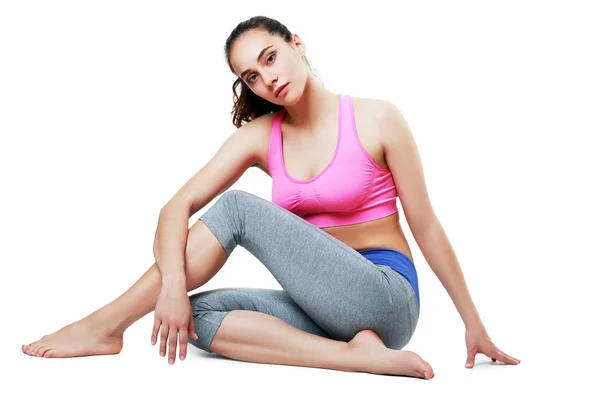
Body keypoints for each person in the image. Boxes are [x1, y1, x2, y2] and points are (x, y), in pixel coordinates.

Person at [21, 15, 520, 379]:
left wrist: (473, 324)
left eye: (270, 57)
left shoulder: (377, 118)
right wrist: (173, 285)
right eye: (252, 77)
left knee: (238, 208)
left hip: (386, 297)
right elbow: (174, 208)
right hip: (326, 310)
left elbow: (427, 225)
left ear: (296, 43)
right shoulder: (262, 136)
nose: (268, 78)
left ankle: (102, 327)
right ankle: (348, 356)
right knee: (192, 315)